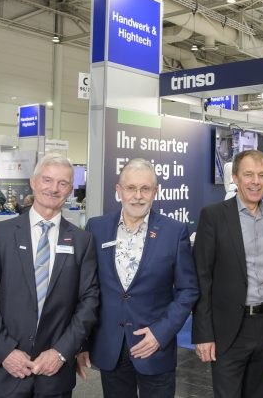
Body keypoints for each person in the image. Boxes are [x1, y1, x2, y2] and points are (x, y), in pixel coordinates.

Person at [0, 153, 99, 398]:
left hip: (54, 372)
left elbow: (89, 302)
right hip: (3, 370)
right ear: (33, 182)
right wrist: (5, 351)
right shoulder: (1, 235)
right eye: (47, 180)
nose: (54, 188)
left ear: (70, 189)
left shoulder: (83, 241)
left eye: (63, 183)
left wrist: (61, 352)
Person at [79, 159, 199, 398]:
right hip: (110, 347)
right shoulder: (97, 228)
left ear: (155, 192)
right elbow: (86, 289)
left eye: (145, 189)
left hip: (154, 346)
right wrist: (83, 343)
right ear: (118, 191)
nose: (138, 196)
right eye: (131, 188)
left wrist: (161, 333)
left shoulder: (174, 232)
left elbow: (188, 290)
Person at [192, 149, 263, 398]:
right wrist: (203, 334)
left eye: (262, 175)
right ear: (236, 178)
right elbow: (202, 279)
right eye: (248, 174)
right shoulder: (214, 216)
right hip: (227, 328)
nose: (255, 181)